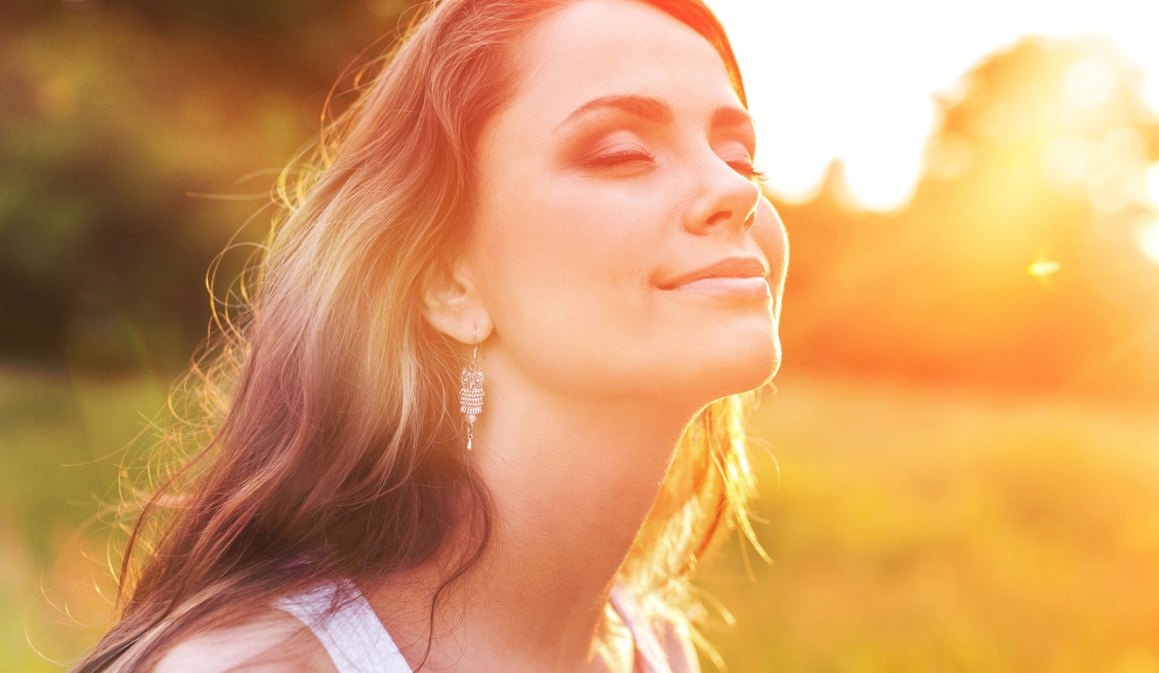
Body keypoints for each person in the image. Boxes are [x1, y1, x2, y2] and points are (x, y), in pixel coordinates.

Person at [71, 0, 789, 671]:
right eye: (622, 152)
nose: (739, 191)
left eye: (738, 156)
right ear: (449, 281)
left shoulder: (646, 644)